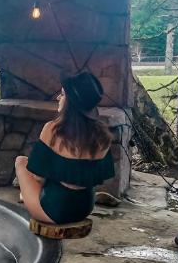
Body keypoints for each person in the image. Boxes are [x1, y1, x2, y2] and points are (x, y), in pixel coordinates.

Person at [15, 71, 115, 225]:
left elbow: (38, 177)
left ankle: (26, 196)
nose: (58, 98)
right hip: (85, 208)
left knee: (21, 161)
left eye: (62, 94)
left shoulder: (52, 129)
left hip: (54, 212)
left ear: (71, 102)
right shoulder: (103, 135)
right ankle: (27, 195)